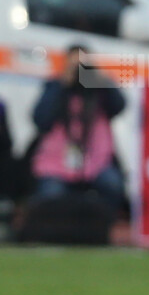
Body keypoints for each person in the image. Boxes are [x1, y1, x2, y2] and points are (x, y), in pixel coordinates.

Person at [31, 44, 127, 218]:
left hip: (96, 161)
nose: (79, 72)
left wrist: (98, 78)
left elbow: (119, 106)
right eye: (74, 65)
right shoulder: (55, 87)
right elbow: (40, 120)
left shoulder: (98, 90)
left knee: (113, 185)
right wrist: (62, 83)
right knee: (50, 196)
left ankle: (102, 230)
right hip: (57, 163)